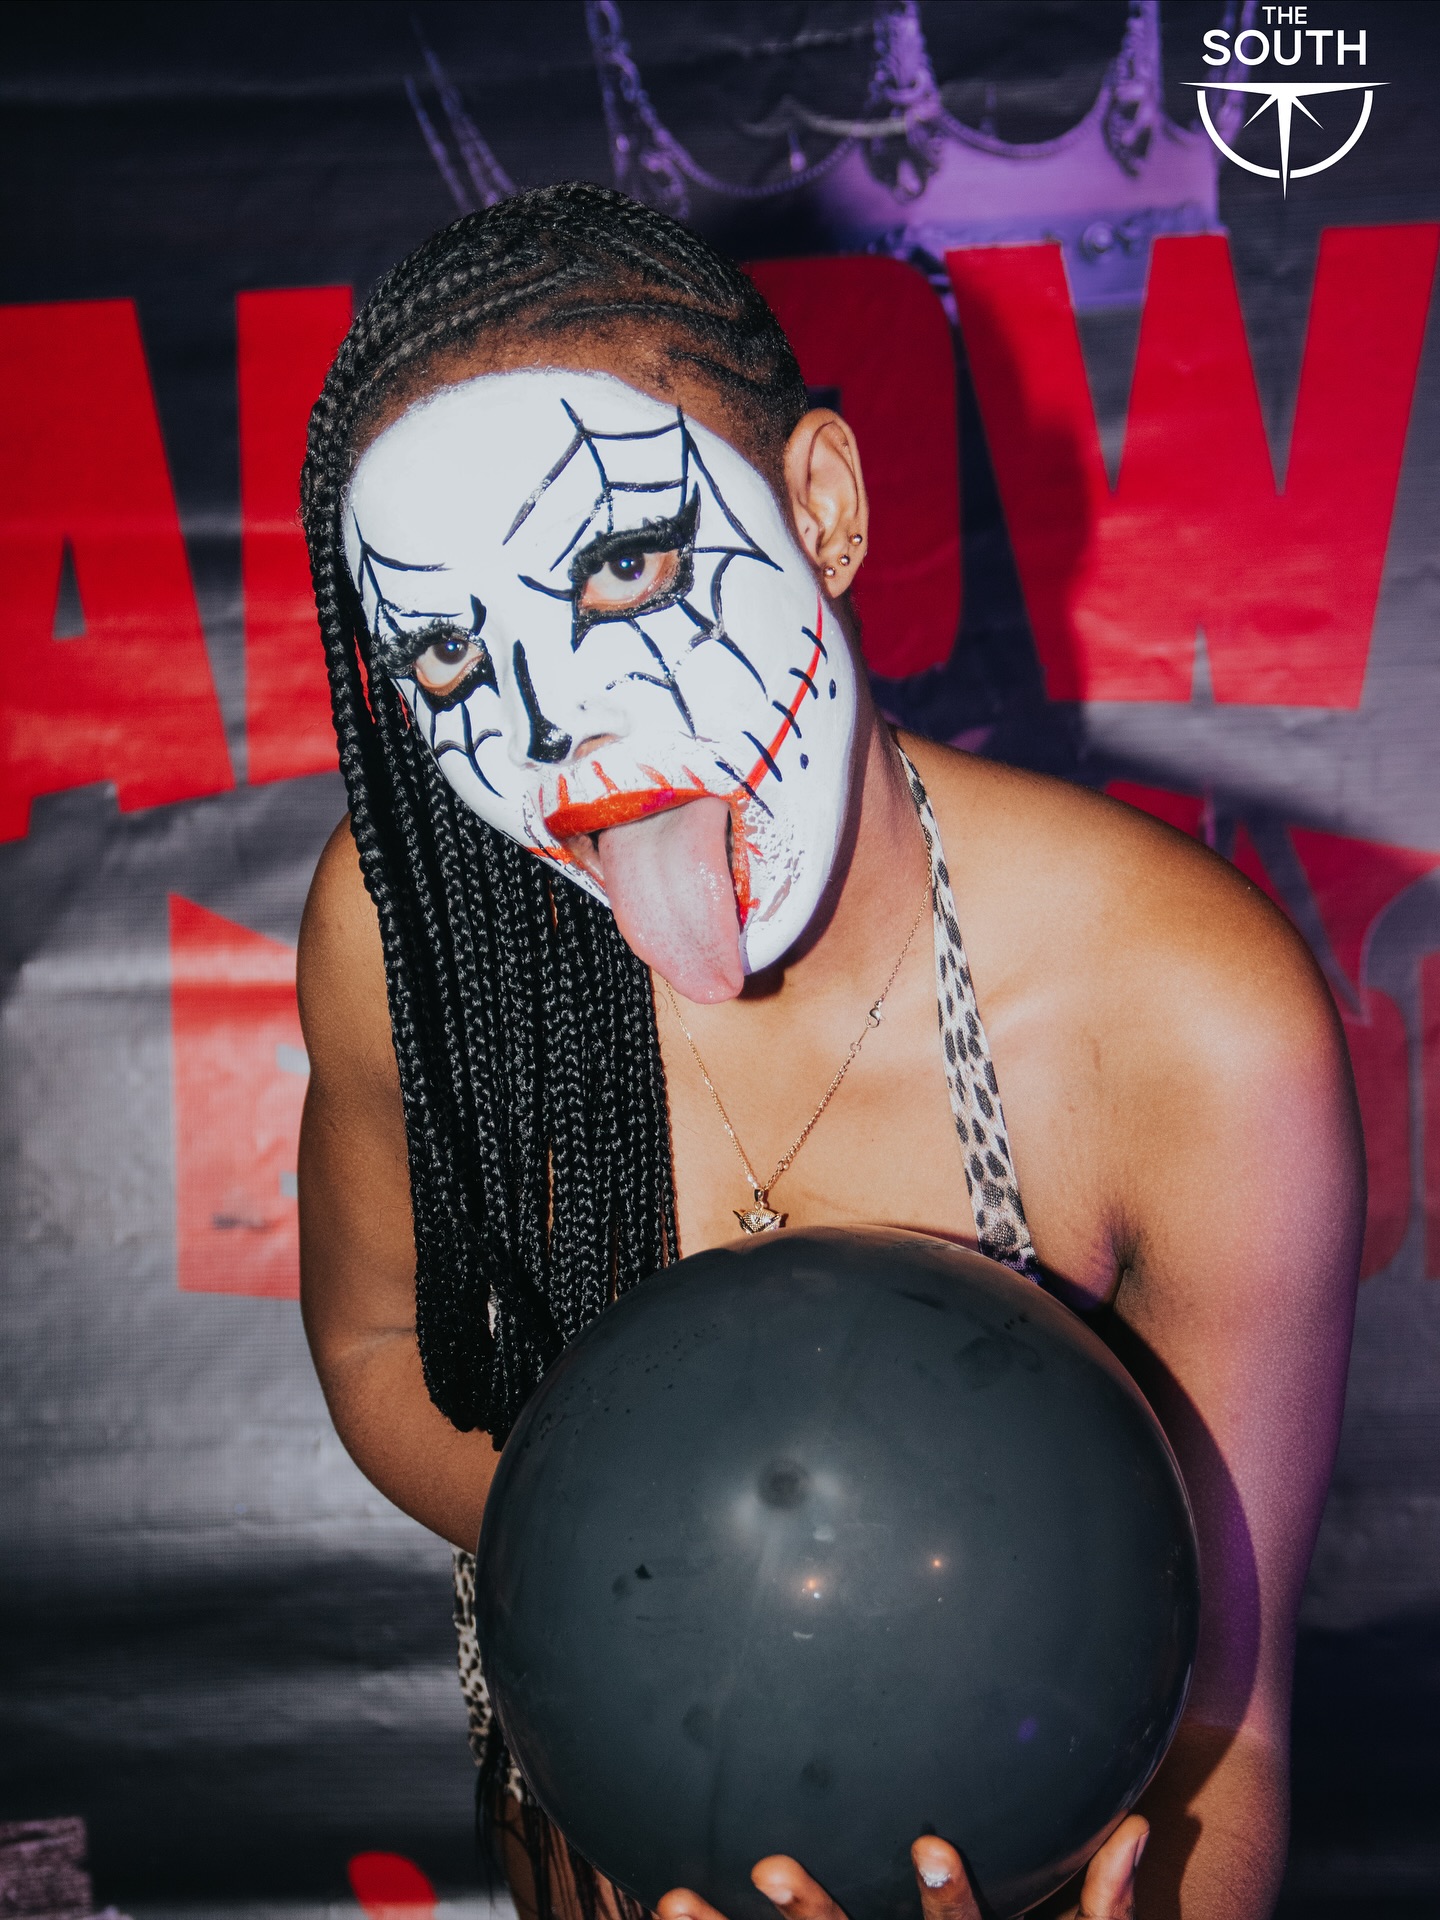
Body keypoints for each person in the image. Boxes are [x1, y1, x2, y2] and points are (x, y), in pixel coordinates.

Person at [295, 183, 1362, 1920]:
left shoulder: (1186, 1015)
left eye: (624, 566)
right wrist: (657, 1579)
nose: (552, 720)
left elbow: (1224, 1729)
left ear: (825, 506)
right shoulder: (418, 932)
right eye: (447, 652)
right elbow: (367, 1345)